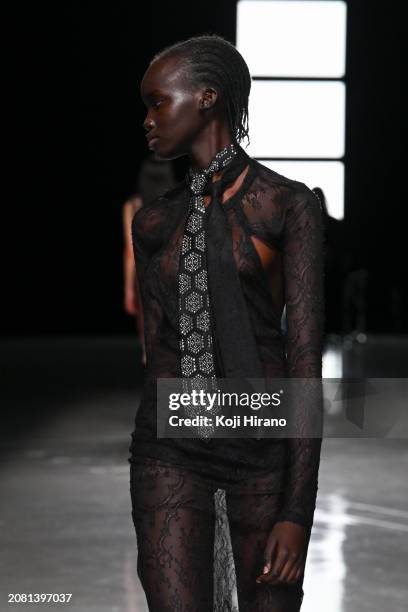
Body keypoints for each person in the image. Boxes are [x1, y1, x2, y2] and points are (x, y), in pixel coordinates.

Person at [128, 34, 325, 612]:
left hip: (263, 452)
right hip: (169, 453)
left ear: (207, 98)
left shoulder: (288, 206)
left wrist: (298, 512)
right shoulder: (153, 223)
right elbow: (154, 351)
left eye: (158, 101)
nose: (147, 119)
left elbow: (305, 359)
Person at [122, 154, 178, 365]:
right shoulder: (177, 202)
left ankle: (149, 352)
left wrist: (128, 288)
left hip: (144, 267)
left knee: (146, 317)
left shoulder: (133, 206)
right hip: (171, 266)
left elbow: (129, 250)